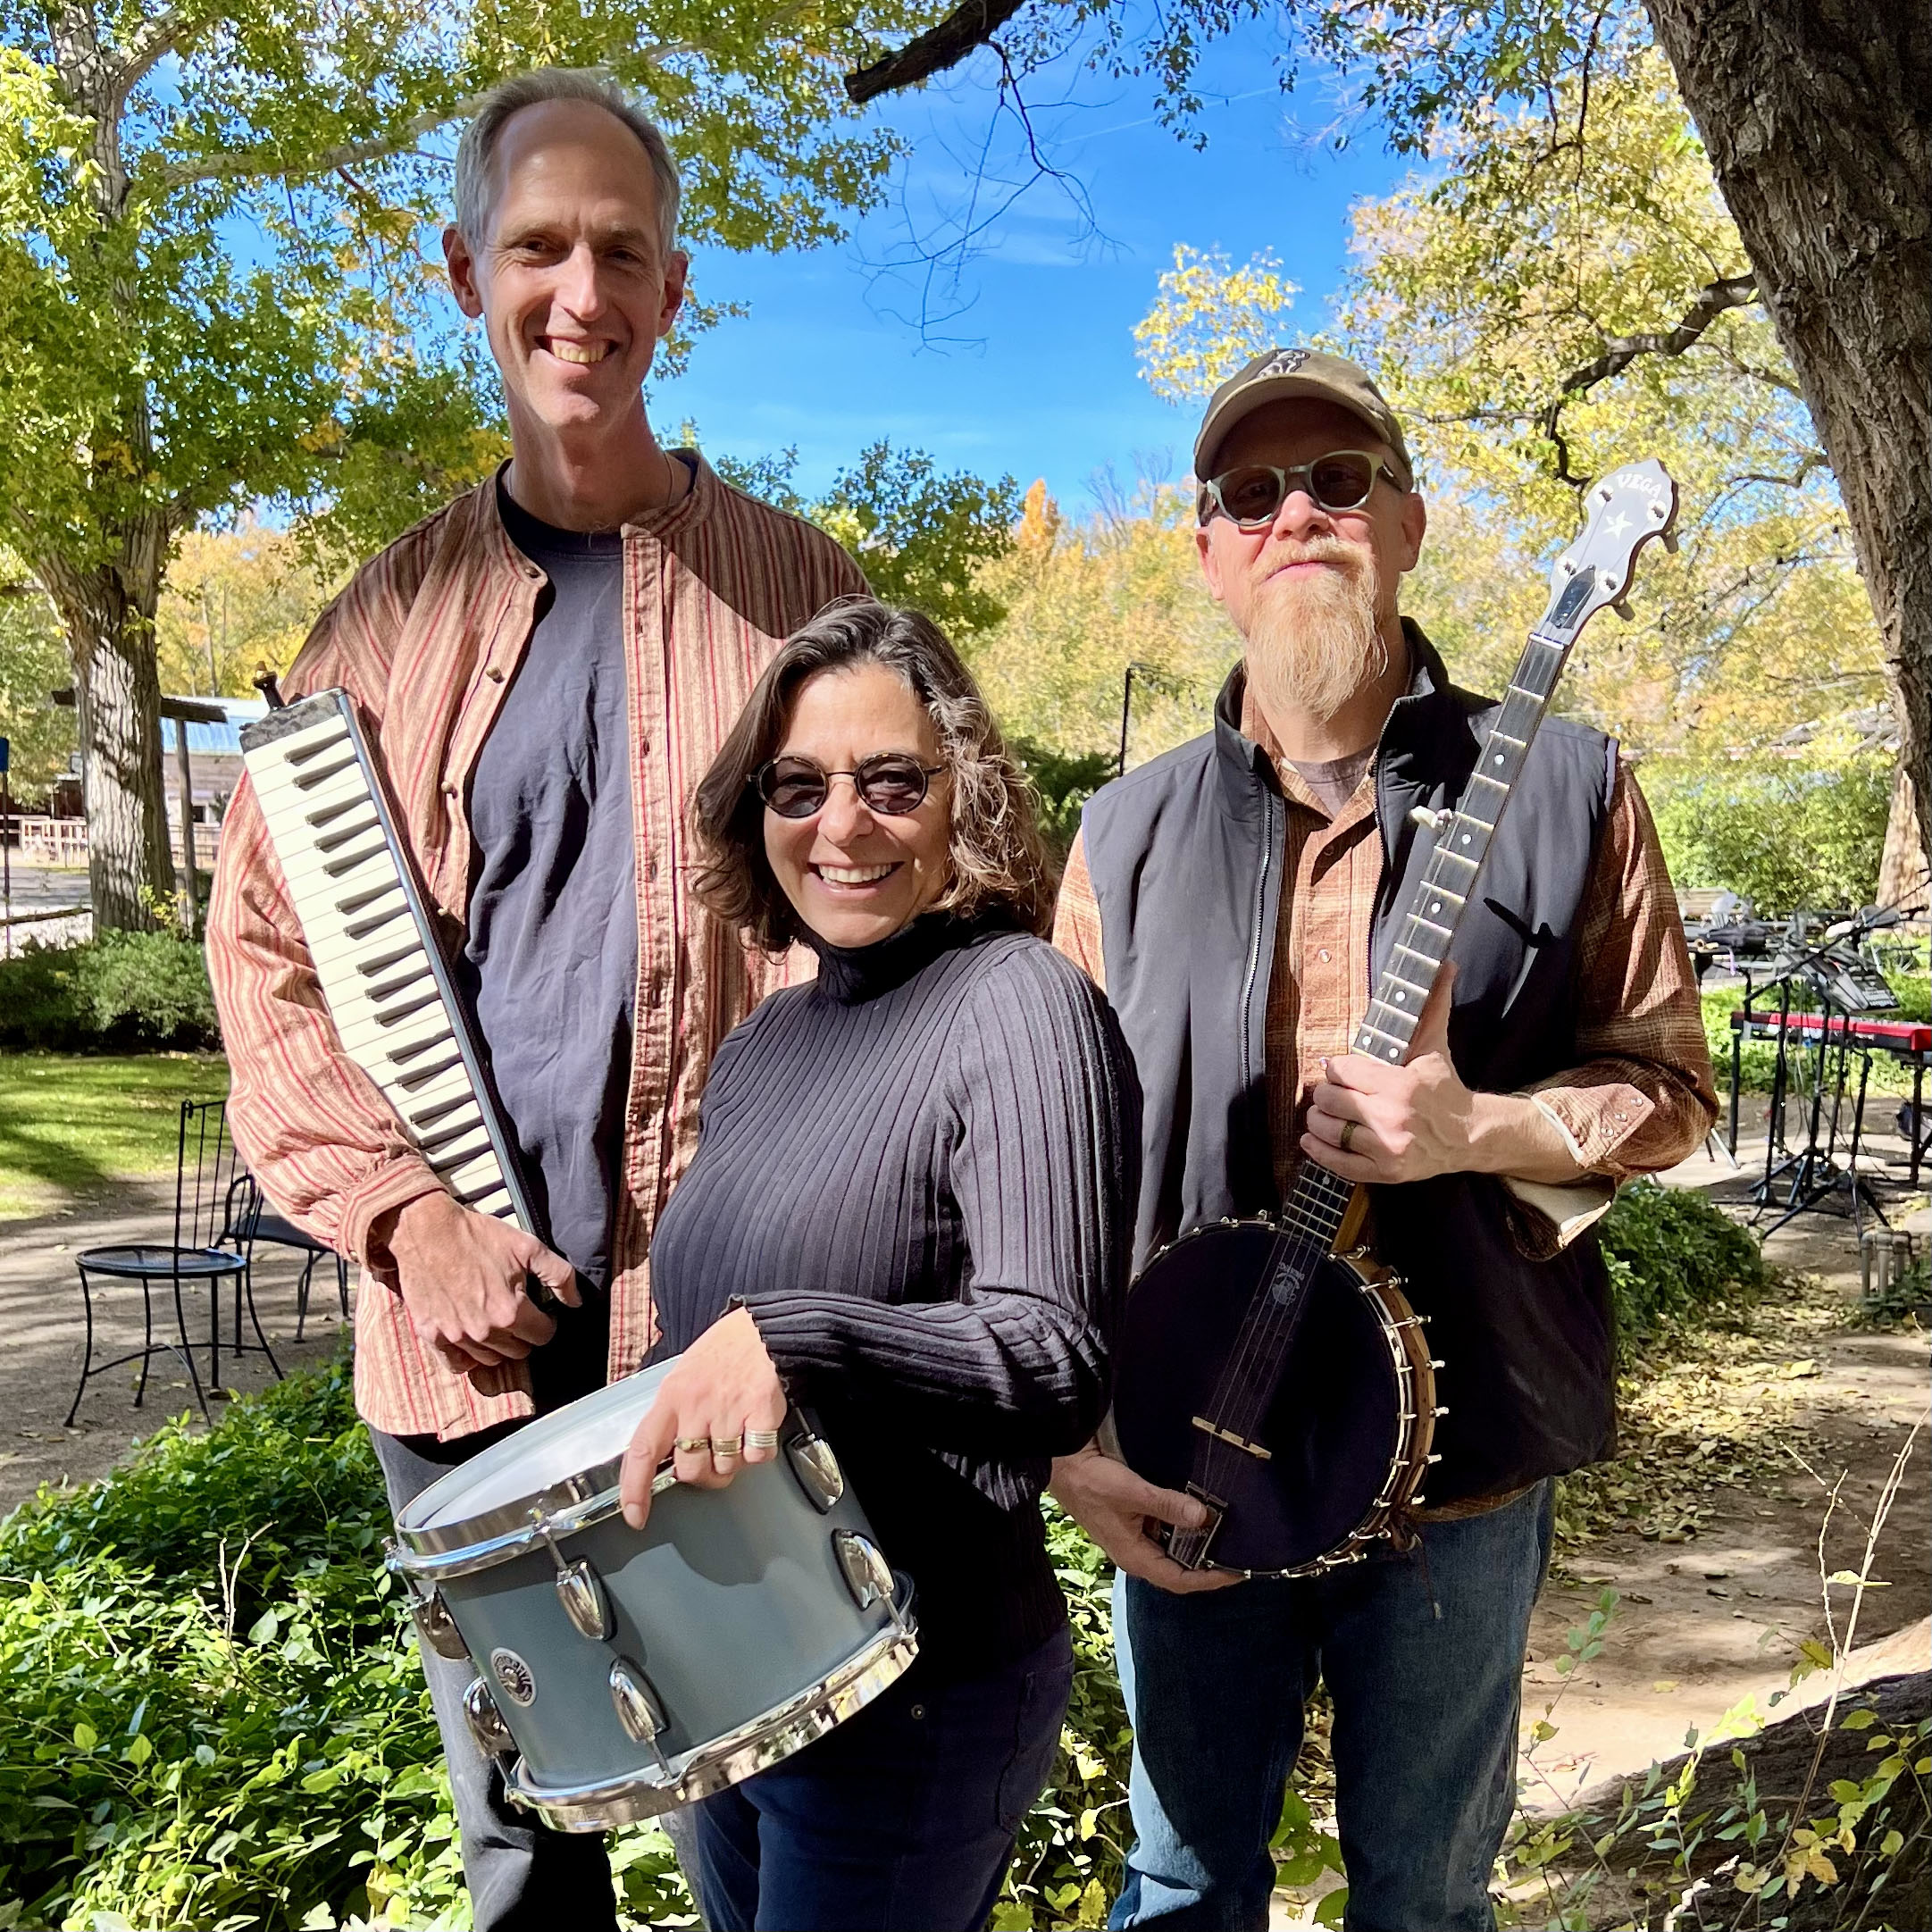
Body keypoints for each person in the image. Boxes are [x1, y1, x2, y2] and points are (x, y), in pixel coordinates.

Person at [206, 69, 865, 1928]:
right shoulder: (377, 626)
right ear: (463, 273)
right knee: (526, 1843)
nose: (582, 295)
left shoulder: (804, 601)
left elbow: (924, 929)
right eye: (538, 248)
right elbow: (264, 961)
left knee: (778, 1805)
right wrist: (404, 1219)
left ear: (674, 291)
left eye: (622, 254)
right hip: (462, 1347)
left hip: (721, 1325)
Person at [1046, 347, 1718, 1931]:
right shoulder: (1121, 834)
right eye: (1251, 493)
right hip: (1196, 1437)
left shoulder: (1568, 784)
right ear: (1210, 551)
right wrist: (1077, 1441)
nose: (1297, 515)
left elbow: (1671, 1089)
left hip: (1460, 1468)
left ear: (1407, 523)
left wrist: (1481, 1126)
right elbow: (1063, 1162)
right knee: (1180, 1878)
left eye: (1339, 481)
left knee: (1425, 1896)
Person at [615, 598, 1139, 1932]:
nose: (841, 825)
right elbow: (701, 1329)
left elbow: (1055, 1359)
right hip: (742, 1671)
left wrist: (795, 1339)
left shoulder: (1021, 1002)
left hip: (917, 1691)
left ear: (966, 794)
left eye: (892, 781)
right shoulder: (767, 1043)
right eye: (798, 786)